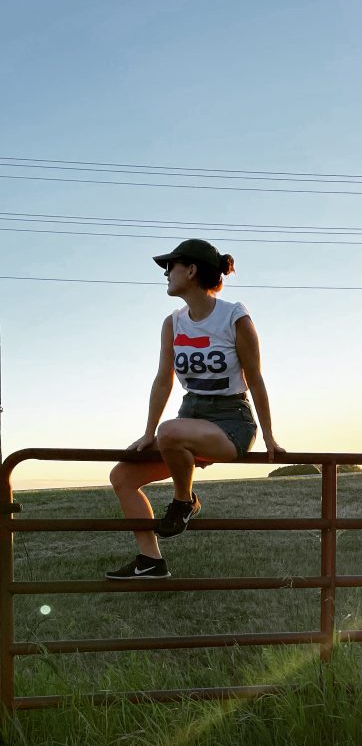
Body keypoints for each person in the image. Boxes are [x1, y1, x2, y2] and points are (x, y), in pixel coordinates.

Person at [106, 238, 283, 580]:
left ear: (191, 270)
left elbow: (256, 378)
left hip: (231, 420)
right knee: (122, 476)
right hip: (189, 420)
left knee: (170, 432)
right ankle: (150, 560)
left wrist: (270, 436)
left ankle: (184, 501)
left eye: (170, 267)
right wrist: (147, 432)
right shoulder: (173, 322)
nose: (166, 274)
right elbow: (163, 380)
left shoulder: (234, 316)